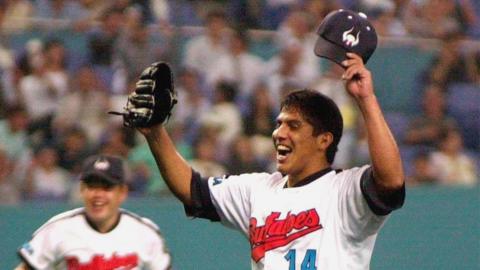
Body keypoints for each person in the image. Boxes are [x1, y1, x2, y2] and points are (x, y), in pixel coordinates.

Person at [128, 9, 405, 269]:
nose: (279, 133)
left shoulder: (345, 191)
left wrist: (366, 99)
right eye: (279, 124)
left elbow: (391, 180)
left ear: (323, 140)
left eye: (293, 126)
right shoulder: (258, 190)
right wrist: (155, 132)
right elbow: (192, 189)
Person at [16, 154, 172, 270]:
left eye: (107, 187)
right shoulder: (56, 229)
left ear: (122, 192)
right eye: (92, 187)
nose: (98, 194)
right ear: (82, 190)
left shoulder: (145, 233)